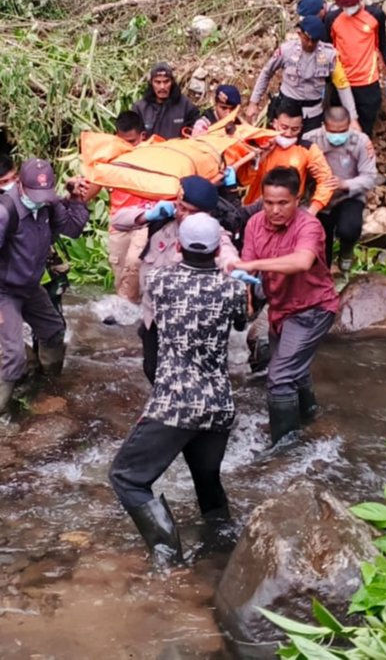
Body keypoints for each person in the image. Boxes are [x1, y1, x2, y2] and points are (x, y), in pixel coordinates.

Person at [109, 213, 247, 559]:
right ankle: (220, 554)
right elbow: (242, 322)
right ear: (218, 248)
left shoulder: (160, 281)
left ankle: (168, 556)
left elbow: (149, 324)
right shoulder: (233, 288)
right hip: (218, 404)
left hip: (175, 402)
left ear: (181, 247)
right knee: (207, 481)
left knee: (126, 477)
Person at [233, 166, 339, 445]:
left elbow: (301, 261)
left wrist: (254, 265)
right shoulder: (255, 223)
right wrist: (243, 293)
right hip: (280, 308)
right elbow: (248, 268)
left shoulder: (309, 226)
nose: (275, 210)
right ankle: (312, 417)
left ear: (297, 199)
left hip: (312, 309)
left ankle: (286, 448)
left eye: (283, 203)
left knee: (279, 378)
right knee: (293, 368)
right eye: (269, 203)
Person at [111, 175, 240, 383]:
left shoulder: (213, 232)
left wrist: (233, 266)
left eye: (193, 211)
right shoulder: (162, 222)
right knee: (152, 370)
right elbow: (117, 221)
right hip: (154, 316)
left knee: (194, 376)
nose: (185, 215)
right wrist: (148, 215)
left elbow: (226, 251)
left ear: (208, 213)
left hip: (192, 321)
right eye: (182, 208)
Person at [0, 159, 89, 413]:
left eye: (45, 194)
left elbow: (72, 229)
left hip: (29, 285)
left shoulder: (48, 203)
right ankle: (4, 420)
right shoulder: (6, 211)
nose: (40, 199)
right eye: (35, 194)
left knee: (53, 330)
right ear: (20, 185)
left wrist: (75, 198)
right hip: (4, 291)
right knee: (13, 357)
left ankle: (48, 386)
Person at [246, 16, 359, 132]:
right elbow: (266, 72)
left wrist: (353, 118)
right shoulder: (286, 50)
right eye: (306, 39)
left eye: (314, 41)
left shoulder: (329, 56)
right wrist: (254, 102)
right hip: (286, 111)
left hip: (312, 114)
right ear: (299, 34)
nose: (310, 44)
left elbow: (342, 85)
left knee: (308, 147)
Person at [86, 110, 152, 304]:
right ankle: (128, 315)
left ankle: (126, 312)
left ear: (143, 136)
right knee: (120, 271)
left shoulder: (155, 156)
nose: (127, 146)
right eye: (122, 141)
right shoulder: (110, 158)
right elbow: (92, 189)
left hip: (145, 220)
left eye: (131, 141)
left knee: (135, 262)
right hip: (119, 224)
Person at [304, 106, 377, 270]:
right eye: (332, 131)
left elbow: (370, 177)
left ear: (349, 125)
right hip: (319, 199)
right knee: (320, 245)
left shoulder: (361, 142)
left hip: (348, 196)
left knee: (349, 229)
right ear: (324, 126)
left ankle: (346, 250)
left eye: (342, 131)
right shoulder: (310, 139)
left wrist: (345, 184)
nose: (337, 136)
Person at [326, 0, 386, 137]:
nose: (348, 7)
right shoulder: (332, 19)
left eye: (350, 3)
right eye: (344, 4)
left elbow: (382, 44)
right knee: (340, 128)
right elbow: (328, 50)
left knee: (364, 130)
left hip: (367, 83)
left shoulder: (375, 16)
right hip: (341, 82)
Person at [239, 97, 334, 212]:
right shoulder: (259, 142)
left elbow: (326, 180)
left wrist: (313, 209)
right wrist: (261, 155)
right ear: (274, 123)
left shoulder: (307, 149)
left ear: (301, 128)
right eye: (284, 127)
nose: (288, 134)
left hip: (288, 214)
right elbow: (242, 179)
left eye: (294, 129)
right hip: (255, 209)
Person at [132, 62, 199, 139]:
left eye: (166, 81)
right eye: (157, 82)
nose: (162, 87)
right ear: (151, 83)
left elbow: (196, 131)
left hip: (177, 149)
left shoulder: (186, 105)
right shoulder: (140, 108)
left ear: (172, 82)